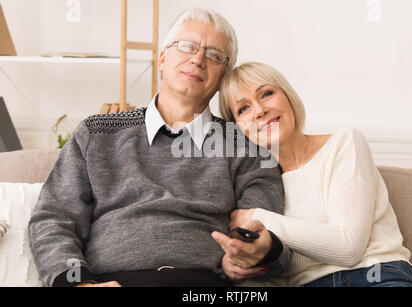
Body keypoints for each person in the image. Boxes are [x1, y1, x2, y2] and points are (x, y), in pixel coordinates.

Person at [28, 10, 290, 287]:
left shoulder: (245, 146)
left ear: (224, 78)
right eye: (187, 46)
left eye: (214, 55)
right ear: (163, 58)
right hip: (112, 282)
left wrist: (253, 256)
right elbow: (54, 219)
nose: (198, 59)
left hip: (204, 285)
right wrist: (77, 283)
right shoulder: (96, 132)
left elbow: (273, 241)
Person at [213, 62, 412, 287]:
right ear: (237, 129)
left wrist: (260, 217)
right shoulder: (255, 187)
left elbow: (349, 248)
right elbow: (272, 271)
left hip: (376, 275)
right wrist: (237, 266)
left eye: (267, 94)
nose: (259, 110)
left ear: (288, 96)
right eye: (243, 108)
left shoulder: (344, 143)